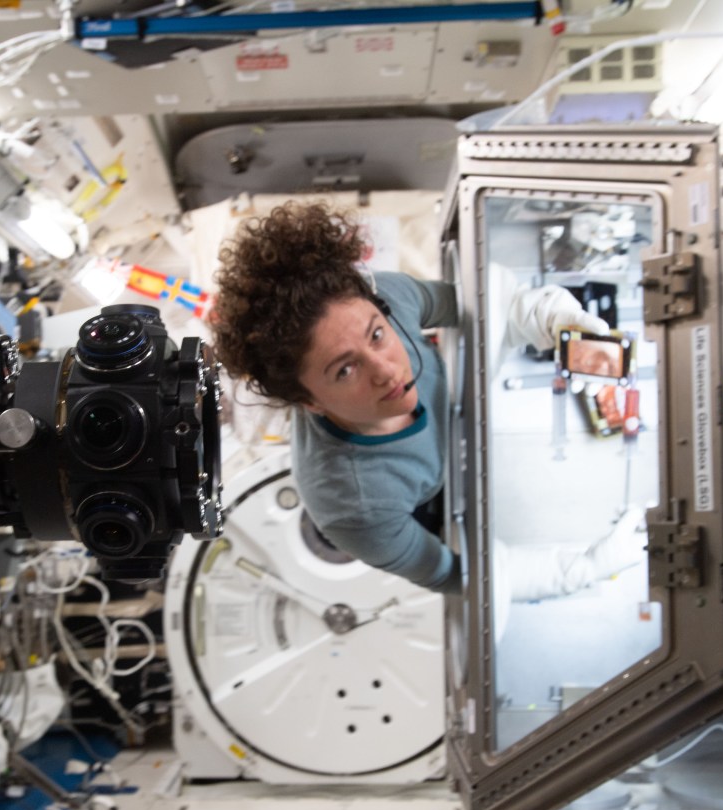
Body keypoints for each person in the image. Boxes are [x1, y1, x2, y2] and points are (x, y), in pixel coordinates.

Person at [210, 201, 641, 598]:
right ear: (310, 402)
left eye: (377, 335)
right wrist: (583, 569)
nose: (386, 370)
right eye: (345, 369)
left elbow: (481, 307)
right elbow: (455, 573)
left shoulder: (389, 298)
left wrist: (547, 317)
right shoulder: (354, 506)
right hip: (434, 500)